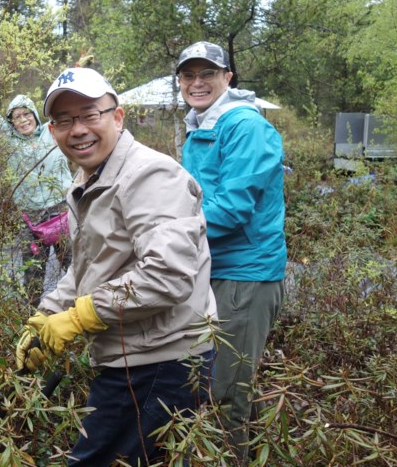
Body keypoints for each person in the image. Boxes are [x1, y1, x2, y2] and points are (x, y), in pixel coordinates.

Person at [15, 67, 217, 467]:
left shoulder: (149, 175)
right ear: (51, 131)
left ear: (118, 117)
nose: (78, 130)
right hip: (133, 356)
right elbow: (91, 265)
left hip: (163, 363)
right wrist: (48, 313)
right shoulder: (89, 179)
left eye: (90, 115)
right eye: (65, 120)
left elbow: (167, 276)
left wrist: (79, 318)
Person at [176, 41, 287, 462]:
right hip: (216, 271)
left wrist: (164, 236)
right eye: (189, 75)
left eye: (208, 73)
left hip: (245, 277)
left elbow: (232, 209)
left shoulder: (243, 125)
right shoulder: (202, 124)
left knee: (224, 395)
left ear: (228, 77)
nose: (197, 82)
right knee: (232, 381)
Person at [0, 92, 73, 298]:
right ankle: (32, 320)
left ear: (35, 114)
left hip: (61, 211)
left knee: (74, 265)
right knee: (33, 273)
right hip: (31, 219)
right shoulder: (8, 139)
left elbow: (69, 109)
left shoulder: (52, 131)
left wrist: (80, 67)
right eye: (16, 117)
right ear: (11, 122)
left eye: (26, 114)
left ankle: (87, 307)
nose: (23, 120)